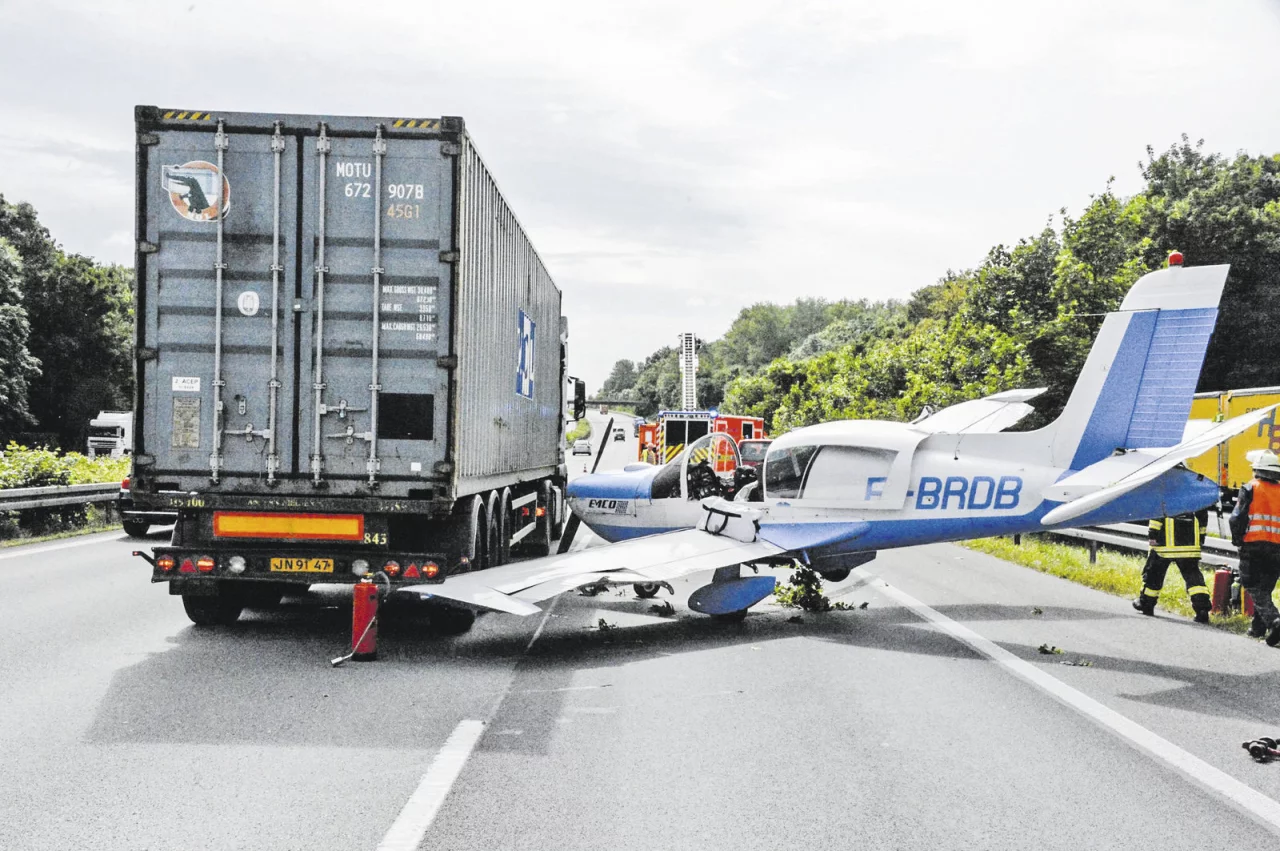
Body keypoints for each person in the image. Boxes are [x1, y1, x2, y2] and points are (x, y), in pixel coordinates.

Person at [1229, 450, 1280, 645]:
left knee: (1251, 584)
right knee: (1265, 587)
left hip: (1253, 544)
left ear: (1257, 470)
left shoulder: (1250, 488)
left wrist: (1238, 539)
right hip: (1277, 548)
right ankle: (1257, 628)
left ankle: (1275, 620)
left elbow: (1237, 517)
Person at [1132, 509, 1211, 623]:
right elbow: (1202, 515)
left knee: (1154, 574)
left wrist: (1153, 533)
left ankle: (1146, 604)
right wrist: (1201, 535)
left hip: (1165, 545)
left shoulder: (1165, 495)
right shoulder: (1197, 496)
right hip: (1189, 545)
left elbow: (1158, 511)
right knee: (1194, 578)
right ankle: (1202, 609)